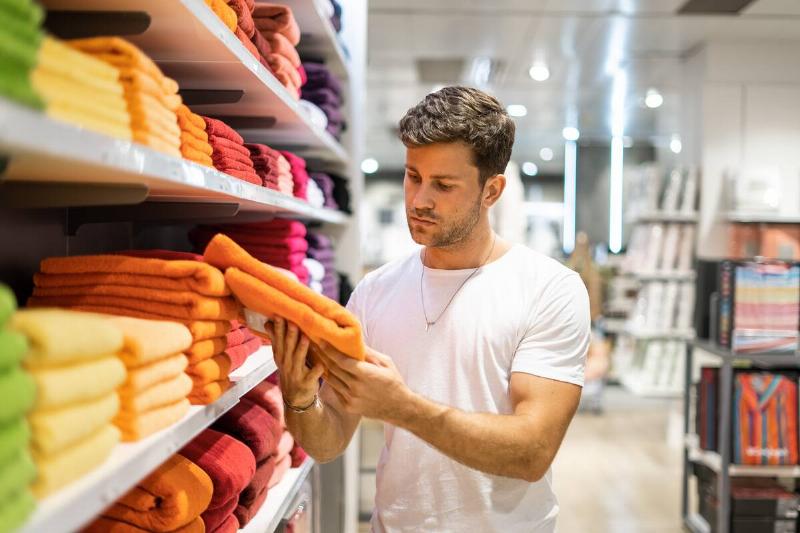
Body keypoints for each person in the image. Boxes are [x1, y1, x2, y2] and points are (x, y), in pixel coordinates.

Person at [266, 86, 590, 532]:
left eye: (443, 185)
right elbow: (328, 441)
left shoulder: (550, 289)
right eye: (413, 176)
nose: (419, 200)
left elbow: (533, 452)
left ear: (492, 191)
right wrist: (300, 397)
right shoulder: (375, 291)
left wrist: (402, 407)